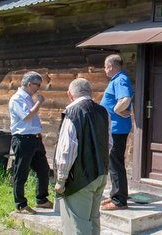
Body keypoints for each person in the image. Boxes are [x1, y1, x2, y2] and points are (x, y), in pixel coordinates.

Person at [55, 78, 111, 234]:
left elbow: (66, 149)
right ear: (90, 93)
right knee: (93, 219)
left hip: (80, 178)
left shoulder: (72, 113)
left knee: (78, 223)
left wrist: (61, 179)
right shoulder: (103, 112)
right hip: (100, 174)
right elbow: (109, 143)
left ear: (69, 94)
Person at [8, 71, 53, 214]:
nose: (38, 88)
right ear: (29, 84)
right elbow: (27, 117)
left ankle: (42, 199)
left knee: (43, 169)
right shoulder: (17, 99)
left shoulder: (27, 97)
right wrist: (39, 102)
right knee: (21, 172)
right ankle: (20, 204)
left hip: (34, 138)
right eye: (37, 85)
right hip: (23, 139)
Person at [100, 54, 133, 211]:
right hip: (114, 128)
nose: (105, 70)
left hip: (117, 129)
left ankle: (119, 200)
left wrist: (115, 110)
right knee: (113, 162)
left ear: (111, 66)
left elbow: (125, 99)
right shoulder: (117, 80)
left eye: (105, 67)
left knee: (116, 163)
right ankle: (115, 194)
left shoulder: (120, 79)